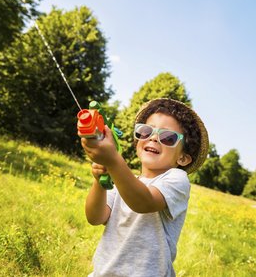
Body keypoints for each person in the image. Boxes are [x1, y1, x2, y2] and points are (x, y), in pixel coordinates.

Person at [81, 98, 209, 277]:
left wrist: (113, 161)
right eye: (146, 131)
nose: (154, 137)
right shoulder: (123, 179)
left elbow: (144, 202)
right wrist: (99, 181)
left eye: (168, 137)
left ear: (183, 158)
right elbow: (95, 217)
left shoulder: (177, 179)